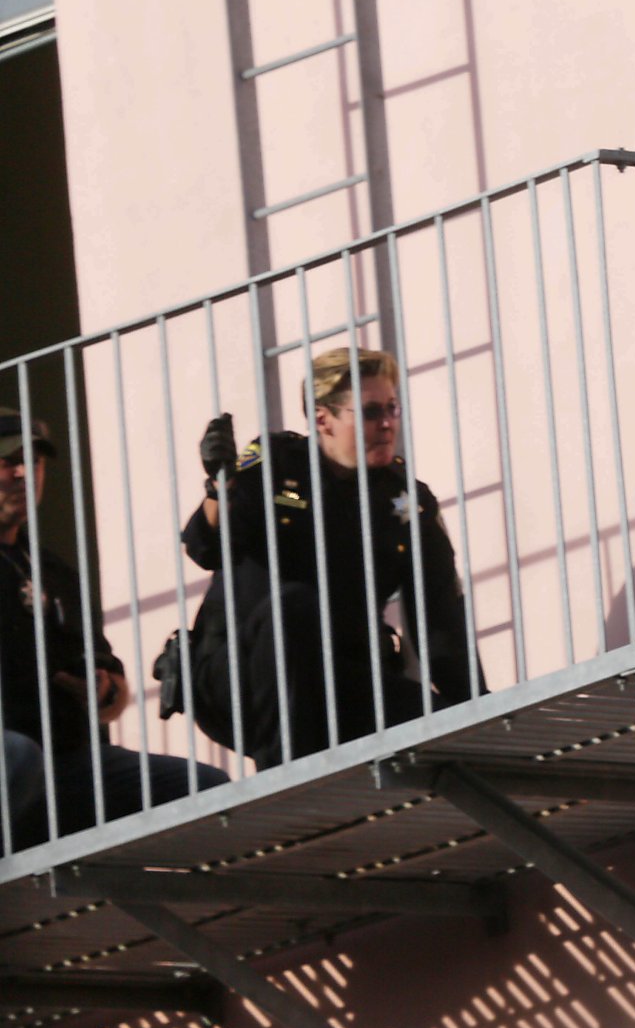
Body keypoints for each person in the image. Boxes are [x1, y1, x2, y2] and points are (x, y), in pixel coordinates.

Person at [182, 348, 485, 769]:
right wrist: (220, 487)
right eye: (369, 412)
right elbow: (205, 547)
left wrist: (485, 717)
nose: (386, 424)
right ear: (323, 419)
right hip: (241, 677)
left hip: (339, 678)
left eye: (392, 409)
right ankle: (283, 789)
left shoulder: (405, 500)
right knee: (296, 607)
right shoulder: (274, 464)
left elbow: (441, 625)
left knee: (447, 739)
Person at [0, 407, 227, 843]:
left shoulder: (51, 570)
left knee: (205, 789)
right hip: (13, 756)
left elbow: (111, 683)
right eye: (9, 461)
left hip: (64, 758)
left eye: (36, 461)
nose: (26, 473)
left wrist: (101, 687)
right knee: (17, 758)